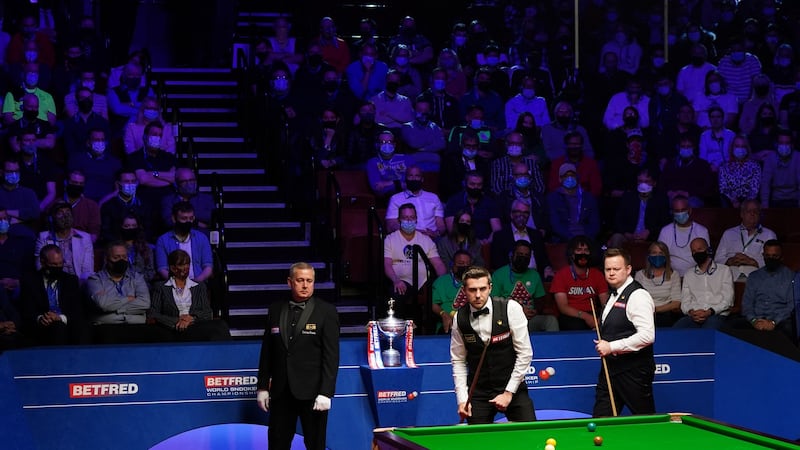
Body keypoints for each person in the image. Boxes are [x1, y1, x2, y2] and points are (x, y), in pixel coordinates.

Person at [256, 262, 340, 450]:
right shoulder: (275, 309)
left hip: (313, 394)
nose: (305, 285)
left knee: (315, 445)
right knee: (277, 444)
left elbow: (331, 356)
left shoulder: (326, 311)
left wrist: (326, 392)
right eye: (300, 280)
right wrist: (262, 386)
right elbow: (267, 351)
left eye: (309, 281)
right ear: (289, 282)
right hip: (281, 392)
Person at [450, 266, 536, 424]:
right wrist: (462, 400)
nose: (477, 295)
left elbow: (525, 353)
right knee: (477, 443)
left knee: (529, 436)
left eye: (482, 289)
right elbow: (458, 361)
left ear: (490, 287)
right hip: (479, 392)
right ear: (464, 290)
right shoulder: (459, 319)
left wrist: (508, 392)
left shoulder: (511, 309)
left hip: (512, 387)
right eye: (472, 290)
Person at [593, 247, 655, 417]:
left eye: (616, 269)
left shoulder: (638, 296)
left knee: (644, 423)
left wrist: (611, 346)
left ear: (628, 269)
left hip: (633, 372)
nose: (611, 273)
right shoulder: (612, 296)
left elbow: (647, 336)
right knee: (601, 420)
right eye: (608, 269)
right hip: (609, 370)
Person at [383, 203, 447, 322]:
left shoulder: (426, 240)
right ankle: (400, 331)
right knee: (396, 294)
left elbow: (438, 264)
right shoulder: (390, 239)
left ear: (416, 219)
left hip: (423, 282)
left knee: (440, 294)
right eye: (405, 218)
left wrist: (444, 282)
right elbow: (387, 264)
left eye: (412, 217)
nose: (409, 221)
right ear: (399, 220)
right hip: (401, 282)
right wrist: (396, 280)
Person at [149, 250, 230, 341]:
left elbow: (207, 312)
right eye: (181, 265)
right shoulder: (160, 287)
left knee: (221, 325)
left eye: (187, 264)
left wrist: (191, 319)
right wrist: (178, 320)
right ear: (172, 268)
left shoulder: (199, 286)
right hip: (171, 328)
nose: (185, 268)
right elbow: (153, 314)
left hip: (195, 326)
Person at [729, 240, 796, 342]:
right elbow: (747, 304)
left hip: (779, 321)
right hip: (756, 319)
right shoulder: (754, 276)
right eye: (768, 255)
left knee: (789, 328)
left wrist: (773, 322)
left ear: (781, 257)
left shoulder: (791, 277)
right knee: (731, 326)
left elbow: (792, 306)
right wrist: (754, 321)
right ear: (763, 255)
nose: (771, 259)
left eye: (775, 256)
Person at [86, 241, 154, 344]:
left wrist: (115, 308)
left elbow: (145, 303)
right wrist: (128, 299)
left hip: (136, 326)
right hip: (107, 327)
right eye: (116, 257)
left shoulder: (137, 278)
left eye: (124, 257)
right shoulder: (95, 280)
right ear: (107, 259)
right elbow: (103, 305)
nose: (121, 260)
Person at [20, 245, 86, 345]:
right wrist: (41, 318)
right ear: (43, 262)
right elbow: (27, 309)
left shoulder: (71, 280)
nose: (58, 267)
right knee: (56, 328)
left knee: (80, 327)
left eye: (60, 264)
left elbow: (77, 309)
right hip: (42, 324)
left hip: (65, 321)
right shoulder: (29, 281)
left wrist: (60, 318)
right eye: (54, 265)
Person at [491, 240, 559, 333]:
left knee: (551, 321)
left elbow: (540, 300)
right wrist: (518, 312)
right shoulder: (498, 274)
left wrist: (535, 311)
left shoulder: (534, 275)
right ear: (512, 255)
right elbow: (494, 303)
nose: (523, 258)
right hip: (508, 320)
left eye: (526, 256)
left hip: (529, 319)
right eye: (520, 254)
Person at [550, 236, 609, 331]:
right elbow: (563, 307)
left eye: (586, 250)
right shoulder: (561, 275)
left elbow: (606, 304)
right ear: (572, 254)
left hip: (593, 314)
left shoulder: (597, 275)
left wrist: (601, 320)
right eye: (579, 250)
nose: (583, 253)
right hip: (571, 316)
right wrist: (586, 317)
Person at [674, 238, 734, 330]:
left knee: (708, 330)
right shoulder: (689, 274)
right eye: (693, 251)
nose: (696, 253)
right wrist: (692, 312)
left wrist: (709, 312)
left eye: (699, 249)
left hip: (716, 315)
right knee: (676, 329)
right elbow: (685, 302)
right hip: (694, 316)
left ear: (708, 250)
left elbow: (728, 300)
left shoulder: (724, 270)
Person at [714, 199, 777, 280]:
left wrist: (753, 262)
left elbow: (773, 260)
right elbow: (717, 259)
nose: (752, 214)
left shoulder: (769, 234)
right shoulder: (729, 233)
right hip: (730, 275)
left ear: (760, 214)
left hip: (756, 275)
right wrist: (729, 261)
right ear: (742, 214)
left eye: (756, 211)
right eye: (749, 211)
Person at [35, 202, 94, 284]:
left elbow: (87, 270)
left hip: (78, 282)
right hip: (53, 281)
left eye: (68, 213)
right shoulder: (43, 237)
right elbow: (40, 266)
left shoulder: (85, 238)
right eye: (60, 213)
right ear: (52, 218)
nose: (65, 216)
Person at [154, 202, 213, 283]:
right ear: (174, 219)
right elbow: (162, 269)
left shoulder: (202, 238)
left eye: (191, 218)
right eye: (184, 219)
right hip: (173, 286)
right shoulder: (163, 240)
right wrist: (179, 283)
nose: (188, 221)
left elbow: (208, 267)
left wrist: (196, 282)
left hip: (198, 284)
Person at [490, 199, 551, 277]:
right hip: (511, 278)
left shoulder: (536, 235)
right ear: (511, 214)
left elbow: (544, 259)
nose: (522, 215)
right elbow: (497, 264)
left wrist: (547, 268)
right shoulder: (500, 236)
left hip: (536, 277)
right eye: (518, 211)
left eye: (525, 212)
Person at [657, 195, 710, 277]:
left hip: (696, 275)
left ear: (689, 210)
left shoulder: (701, 231)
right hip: (671, 275)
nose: (680, 213)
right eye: (677, 211)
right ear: (672, 212)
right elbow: (660, 255)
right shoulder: (665, 231)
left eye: (683, 210)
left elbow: (706, 258)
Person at [385, 165, 445, 238]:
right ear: (406, 179)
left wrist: (436, 233)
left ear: (422, 179)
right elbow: (391, 225)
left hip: (433, 237)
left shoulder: (434, 197)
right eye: (410, 176)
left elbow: (441, 224)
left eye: (417, 176)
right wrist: (415, 232)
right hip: (408, 237)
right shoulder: (395, 199)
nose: (414, 179)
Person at [547, 163, 600, 243]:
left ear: (577, 177)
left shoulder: (588, 197)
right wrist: (572, 239)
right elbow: (555, 225)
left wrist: (584, 238)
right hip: (564, 240)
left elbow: (595, 223)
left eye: (572, 175)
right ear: (560, 179)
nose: (570, 178)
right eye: (566, 176)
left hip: (586, 238)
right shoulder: (553, 198)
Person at [634, 241, 683, 327]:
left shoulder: (674, 275)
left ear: (666, 256)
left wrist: (656, 310)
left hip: (666, 314)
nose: (657, 256)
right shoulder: (639, 275)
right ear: (649, 256)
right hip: (644, 313)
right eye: (654, 253)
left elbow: (676, 302)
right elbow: (636, 299)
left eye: (661, 253)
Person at [432, 250, 472, 333]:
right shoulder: (442, 281)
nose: (464, 266)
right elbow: (433, 304)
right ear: (452, 264)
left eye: (467, 264)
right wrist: (443, 313)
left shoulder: (476, 281)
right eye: (461, 263)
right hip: (449, 323)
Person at [760, 130, 800, 208]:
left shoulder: (798, 157)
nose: (784, 146)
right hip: (776, 200)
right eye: (781, 143)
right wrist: (765, 204)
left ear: (792, 145)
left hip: (795, 199)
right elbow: (765, 183)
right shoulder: (770, 158)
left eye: (787, 143)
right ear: (776, 144)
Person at [718, 135, 761, 208]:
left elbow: (754, 189)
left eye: (743, 146)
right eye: (737, 146)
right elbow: (723, 188)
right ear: (732, 148)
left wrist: (744, 203)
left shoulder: (755, 166)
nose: (740, 149)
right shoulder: (724, 166)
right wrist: (733, 200)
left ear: (747, 149)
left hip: (748, 201)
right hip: (730, 201)